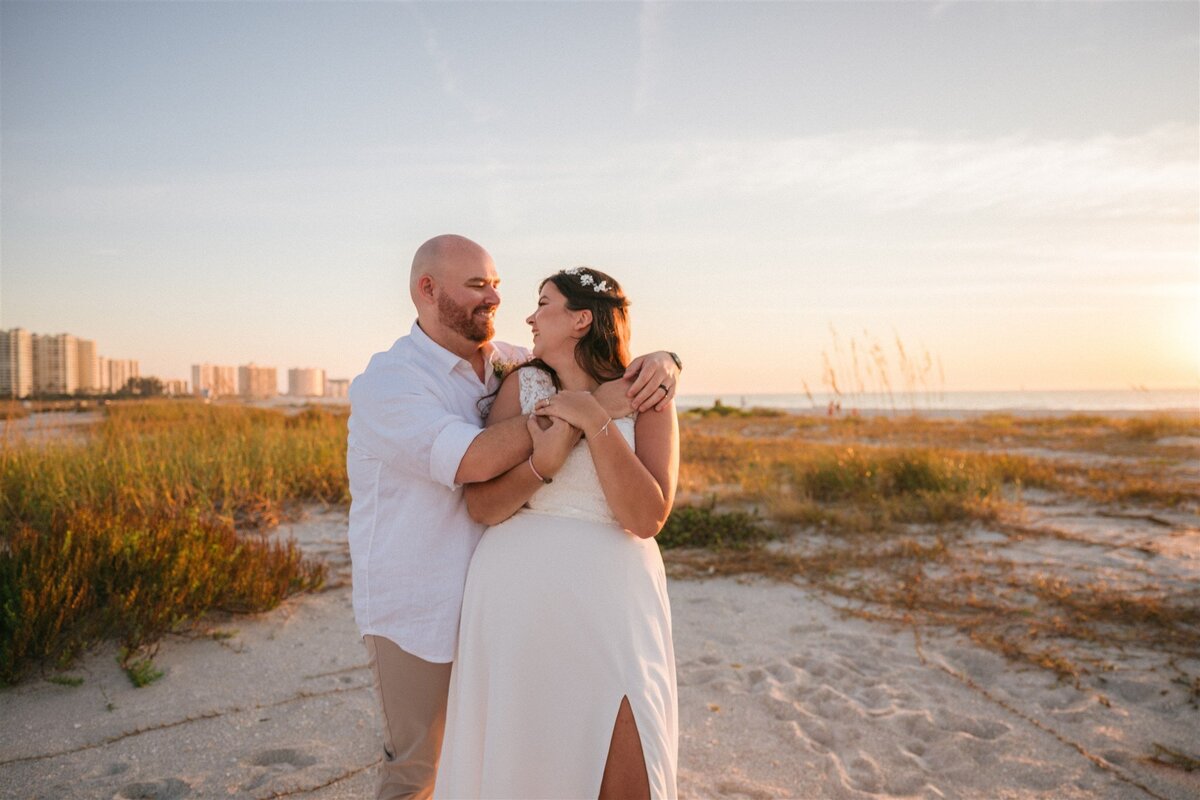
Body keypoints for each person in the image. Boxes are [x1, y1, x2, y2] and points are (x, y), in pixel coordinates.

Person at [347, 235, 681, 800]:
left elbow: (649, 512)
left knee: (600, 746)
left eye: (502, 285)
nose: (502, 301)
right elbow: (474, 466)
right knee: (422, 767)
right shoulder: (391, 382)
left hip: (569, 594)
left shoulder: (507, 360)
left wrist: (668, 360)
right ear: (427, 289)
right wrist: (587, 414)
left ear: (580, 320)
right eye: (479, 285)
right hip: (423, 594)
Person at [435, 267, 680, 800]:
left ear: (580, 320)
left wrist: (593, 420)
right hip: (516, 601)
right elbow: (481, 505)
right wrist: (544, 461)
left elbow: (645, 518)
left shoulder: (648, 393)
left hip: (614, 602)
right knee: (524, 759)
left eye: (543, 303)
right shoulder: (521, 386)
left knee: (627, 760)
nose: (528, 315)